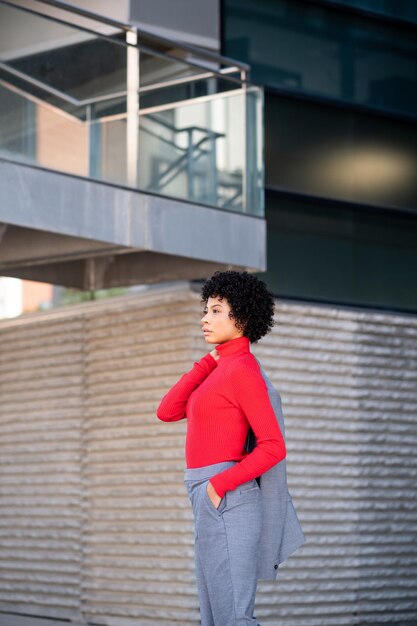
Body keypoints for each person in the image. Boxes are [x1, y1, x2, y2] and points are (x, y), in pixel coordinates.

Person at [156, 270, 287, 626]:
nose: (205, 318)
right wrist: (207, 362)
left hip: (227, 497)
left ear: (241, 317)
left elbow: (273, 447)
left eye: (216, 310)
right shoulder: (219, 367)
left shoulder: (243, 369)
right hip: (206, 495)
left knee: (233, 617)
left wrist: (218, 485)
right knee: (213, 616)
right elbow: (167, 411)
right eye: (206, 310)